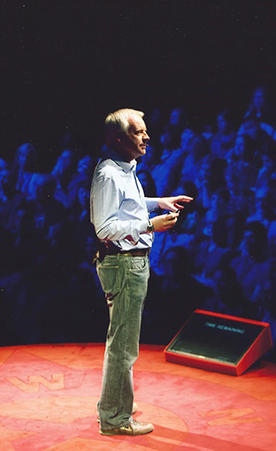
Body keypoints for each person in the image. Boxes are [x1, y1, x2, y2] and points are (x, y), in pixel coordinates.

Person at [90, 108, 193, 436]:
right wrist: (150, 224)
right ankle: (115, 419)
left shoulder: (123, 170)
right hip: (124, 264)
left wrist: (159, 202)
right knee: (123, 345)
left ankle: (116, 403)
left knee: (121, 341)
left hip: (129, 263)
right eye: (139, 133)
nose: (146, 137)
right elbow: (104, 227)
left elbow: (128, 204)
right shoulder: (108, 174)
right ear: (118, 139)